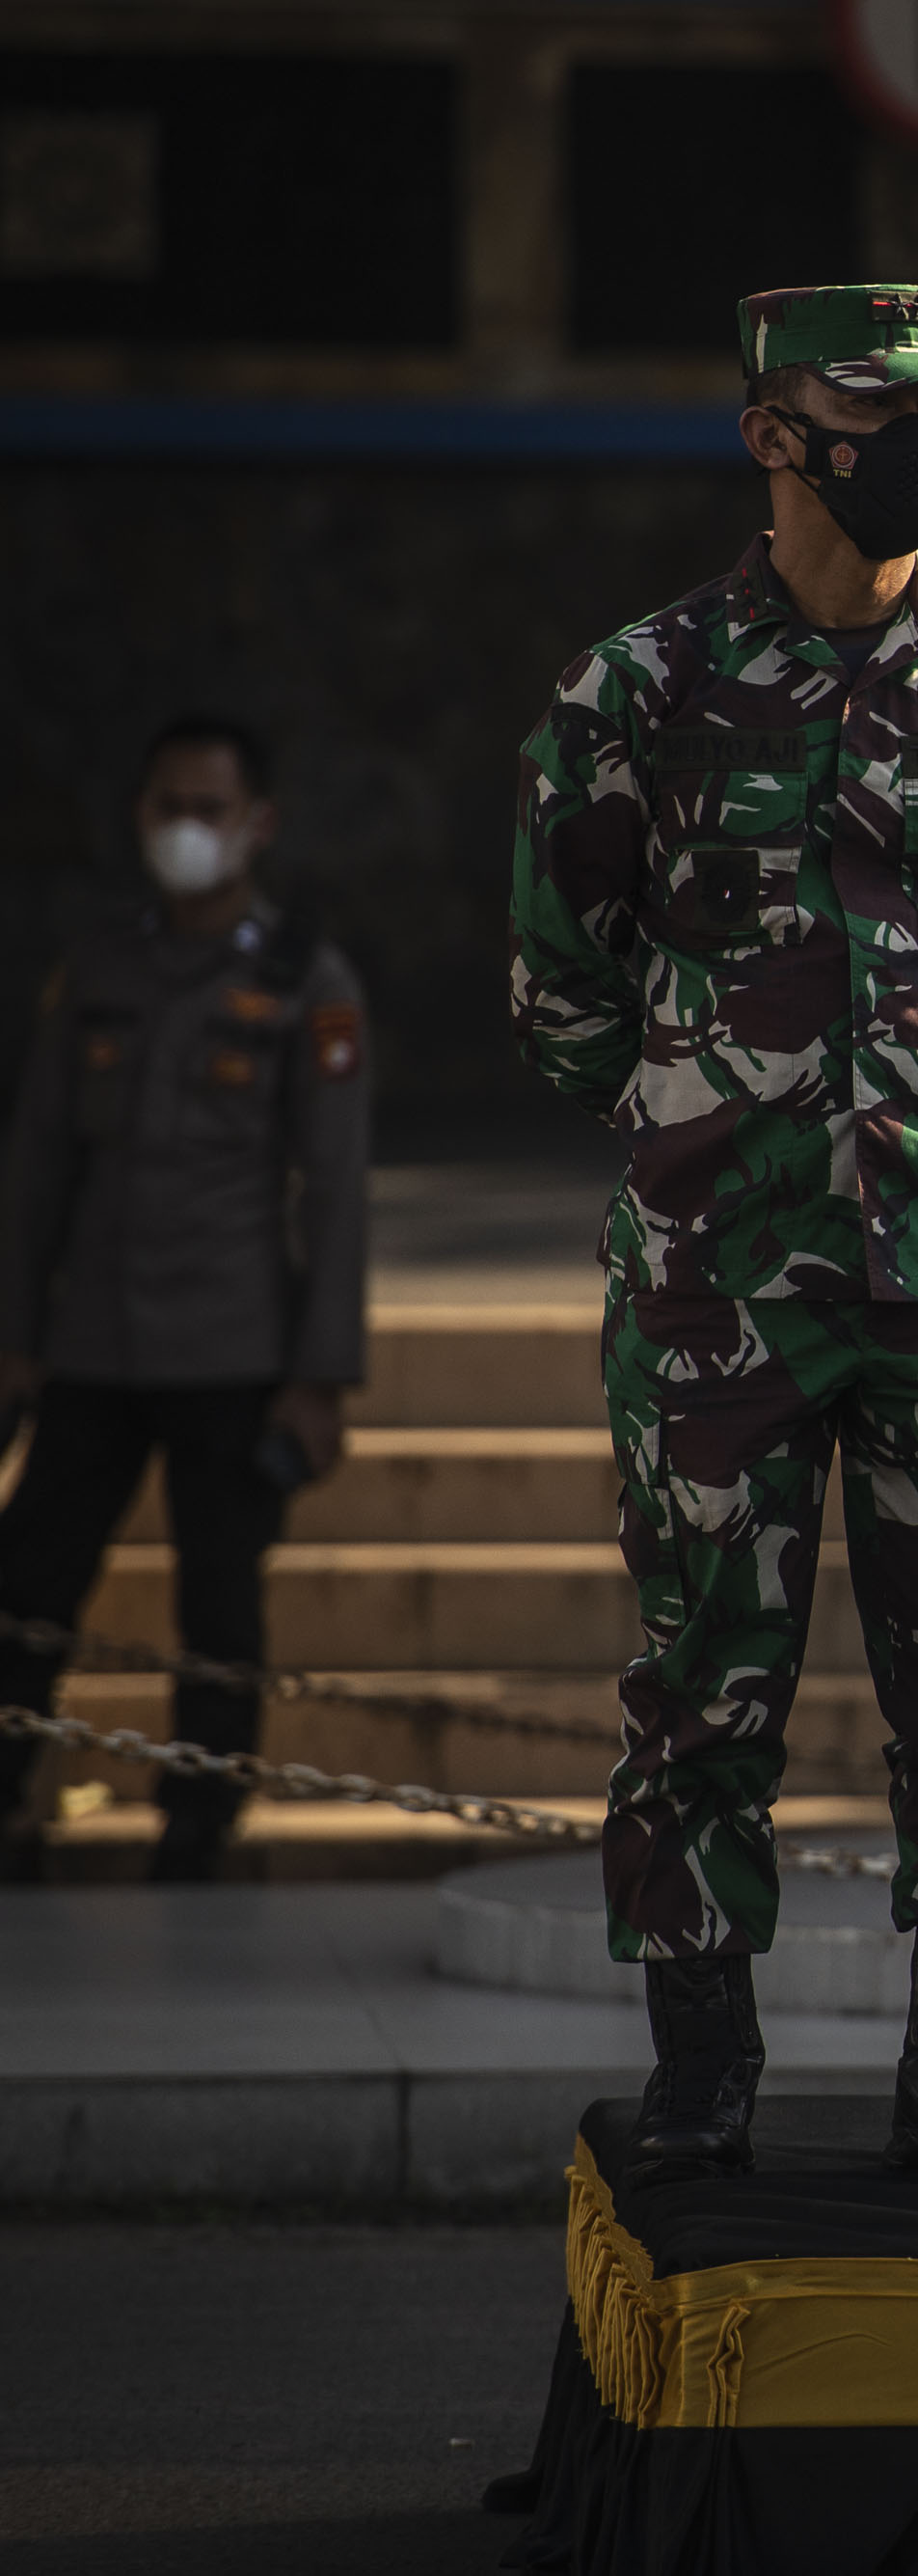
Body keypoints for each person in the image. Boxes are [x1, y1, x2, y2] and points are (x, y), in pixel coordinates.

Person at [508, 284, 918, 2189]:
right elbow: (558, 980)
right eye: (879, 408)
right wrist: (709, 1115)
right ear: (776, 432)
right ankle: (703, 2075)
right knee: (704, 1681)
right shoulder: (642, 689)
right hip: (719, 1283)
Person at [0, 715, 368, 1881]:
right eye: (168, 807)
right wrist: (15, 1336)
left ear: (256, 825)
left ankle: (199, 1822)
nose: (186, 831)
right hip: (95, 1343)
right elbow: (38, 1166)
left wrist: (319, 1379)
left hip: (231, 1346)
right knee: (26, 1585)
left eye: (209, 809)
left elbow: (338, 1193)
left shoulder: (306, 980)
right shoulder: (100, 968)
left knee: (220, 1609)